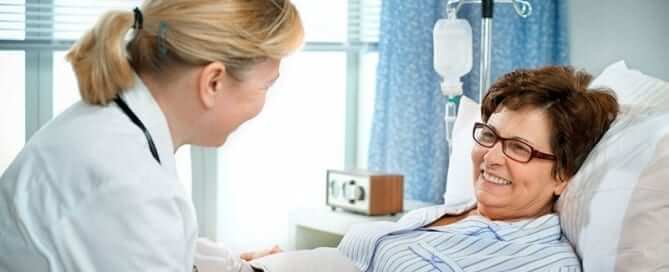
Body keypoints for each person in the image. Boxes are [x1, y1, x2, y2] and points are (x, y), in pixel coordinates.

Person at [0, 0, 303, 271]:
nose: (264, 102)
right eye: (266, 86)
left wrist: (218, 263)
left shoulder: (109, 127)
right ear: (213, 82)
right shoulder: (129, 183)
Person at [335, 66, 619, 272]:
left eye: (519, 147)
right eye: (489, 135)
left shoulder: (546, 264)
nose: (491, 156)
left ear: (562, 175)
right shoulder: (447, 213)